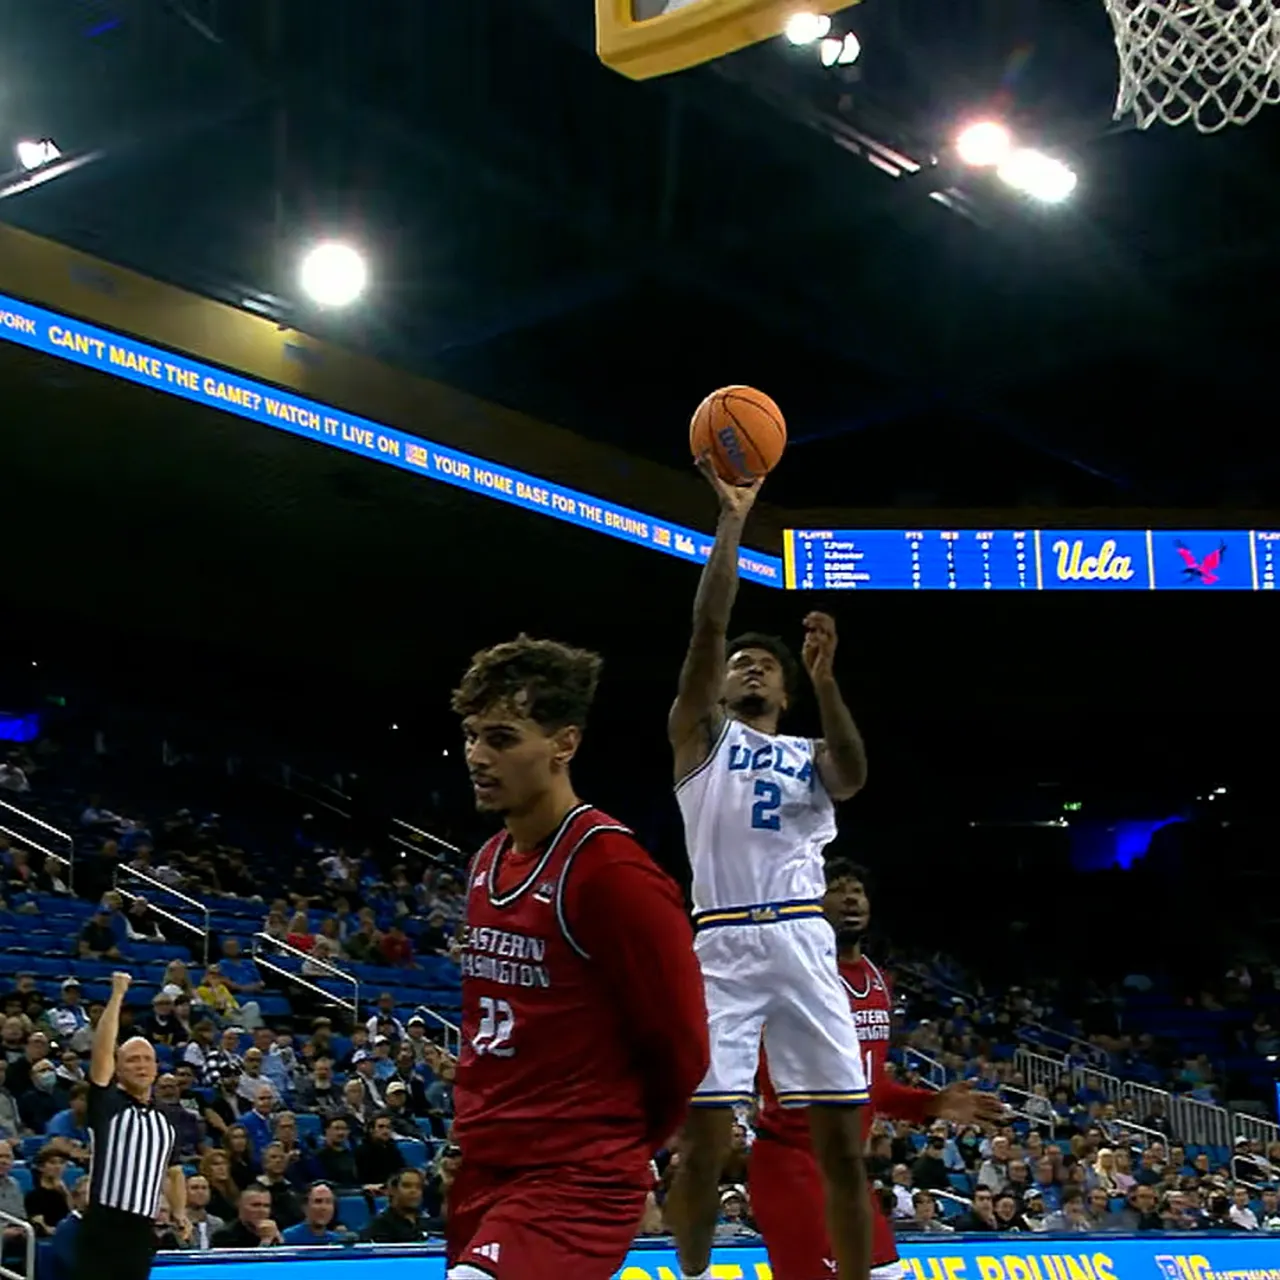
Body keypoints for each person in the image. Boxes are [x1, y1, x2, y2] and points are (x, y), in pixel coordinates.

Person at [447, 635, 710, 1280]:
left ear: (564, 744)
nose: (478, 757)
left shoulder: (611, 871)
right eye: (472, 736)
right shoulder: (487, 862)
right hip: (486, 1166)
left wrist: (617, 1146)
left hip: (577, 1176)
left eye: (502, 739)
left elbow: (683, 1041)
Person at [666, 462, 871, 1280]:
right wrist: (732, 521)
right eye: (740, 661)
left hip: (801, 940)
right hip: (720, 944)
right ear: (719, 683)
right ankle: (691, 1273)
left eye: (767, 664)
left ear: (785, 689)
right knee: (703, 1146)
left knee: (844, 1154)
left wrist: (827, 683)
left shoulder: (809, 750)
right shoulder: (698, 737)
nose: (750, 666)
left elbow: (853, 775)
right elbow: (707, 630)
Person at [750, 861, 1003, 1280]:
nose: (851, 898)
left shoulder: (878, 980)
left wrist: (933, 1103)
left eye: (858, 890)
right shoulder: (791, 977)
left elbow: (873, 1087)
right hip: (793, 1164)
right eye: (837, 889)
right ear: (812, 901)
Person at [76, 972, 189, 1280]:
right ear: (118, 1068)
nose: (140, 1066)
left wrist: (179, 1211)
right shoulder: (107, 1103)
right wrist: (117, 995)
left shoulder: (167, 1116)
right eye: (131, 1060)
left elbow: (174, 1170)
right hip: (103, 1226)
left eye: (146, 1059)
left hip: (143, 1230)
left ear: (156, 1066)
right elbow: (101, 1053)